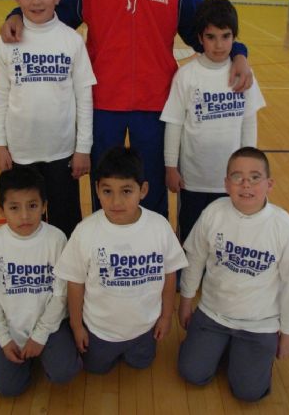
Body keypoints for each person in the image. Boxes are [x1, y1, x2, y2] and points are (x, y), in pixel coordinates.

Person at [0, 0, 252, 218]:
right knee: (107, 188)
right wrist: (17, 12)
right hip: (102, 101)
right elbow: (49, 13)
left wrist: (239, 52)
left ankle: (152, 259)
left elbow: (210, 28)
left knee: (150, 188)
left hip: (157, 103)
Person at [178, 147, 289, 402]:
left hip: (260, 324)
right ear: (226, 184)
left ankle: (241, 353)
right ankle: (225, 347)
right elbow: (195, 258)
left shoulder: (284, 227)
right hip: (213, 314)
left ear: (269, 184)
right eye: (237, 177)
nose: (246, 184)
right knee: (193, 373)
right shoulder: (214, 213)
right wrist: (186, 301)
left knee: (248, 392)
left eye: (255, 177)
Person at [53, 146, 188, 374]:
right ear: (96, 189)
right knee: (96, 369)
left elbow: (169, 274)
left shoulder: (159, 227)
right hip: (99, 330)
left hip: (145, 329)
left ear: (143, 190)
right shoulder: (85, 231)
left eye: (126, 191)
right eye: (107, 191)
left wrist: (166, 316)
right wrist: (76, 326)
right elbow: (74, 282)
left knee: (141, 363)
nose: (116, 201)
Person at [0, 0, 96, 237]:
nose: (36, 1)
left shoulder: (71, 41)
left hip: (62, 154)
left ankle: (68, 279)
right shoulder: (6, 43)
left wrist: (83, 147)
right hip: (21, 153)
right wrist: (1, 144)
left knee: (66, 224)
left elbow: (84, 97)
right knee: (27, 225)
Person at [160, 0, 266, 247]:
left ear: (235, 37)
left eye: (226, 36)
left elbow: (248, 123)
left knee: (226, 234)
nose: (219, 45)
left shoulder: (244, 75)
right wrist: (170, 167)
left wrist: (249, 168)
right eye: (211, 37)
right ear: (200, 37)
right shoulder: (186, 76)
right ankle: (188, 280)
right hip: (193, 178)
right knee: (191, 236)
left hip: (232, 178)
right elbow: (174, 124)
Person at [0, 167, 82, 396]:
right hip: (13, 329)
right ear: (1, 209)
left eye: (32, 206)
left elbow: (61, 295)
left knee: (64, 372)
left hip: (52, 326)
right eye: (14, 207)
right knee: (8, 390)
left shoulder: (56, 239)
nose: (24, 216)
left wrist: (40, 335)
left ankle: (51, 351)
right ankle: (27, 355)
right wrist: (2, 337)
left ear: (44, 206)